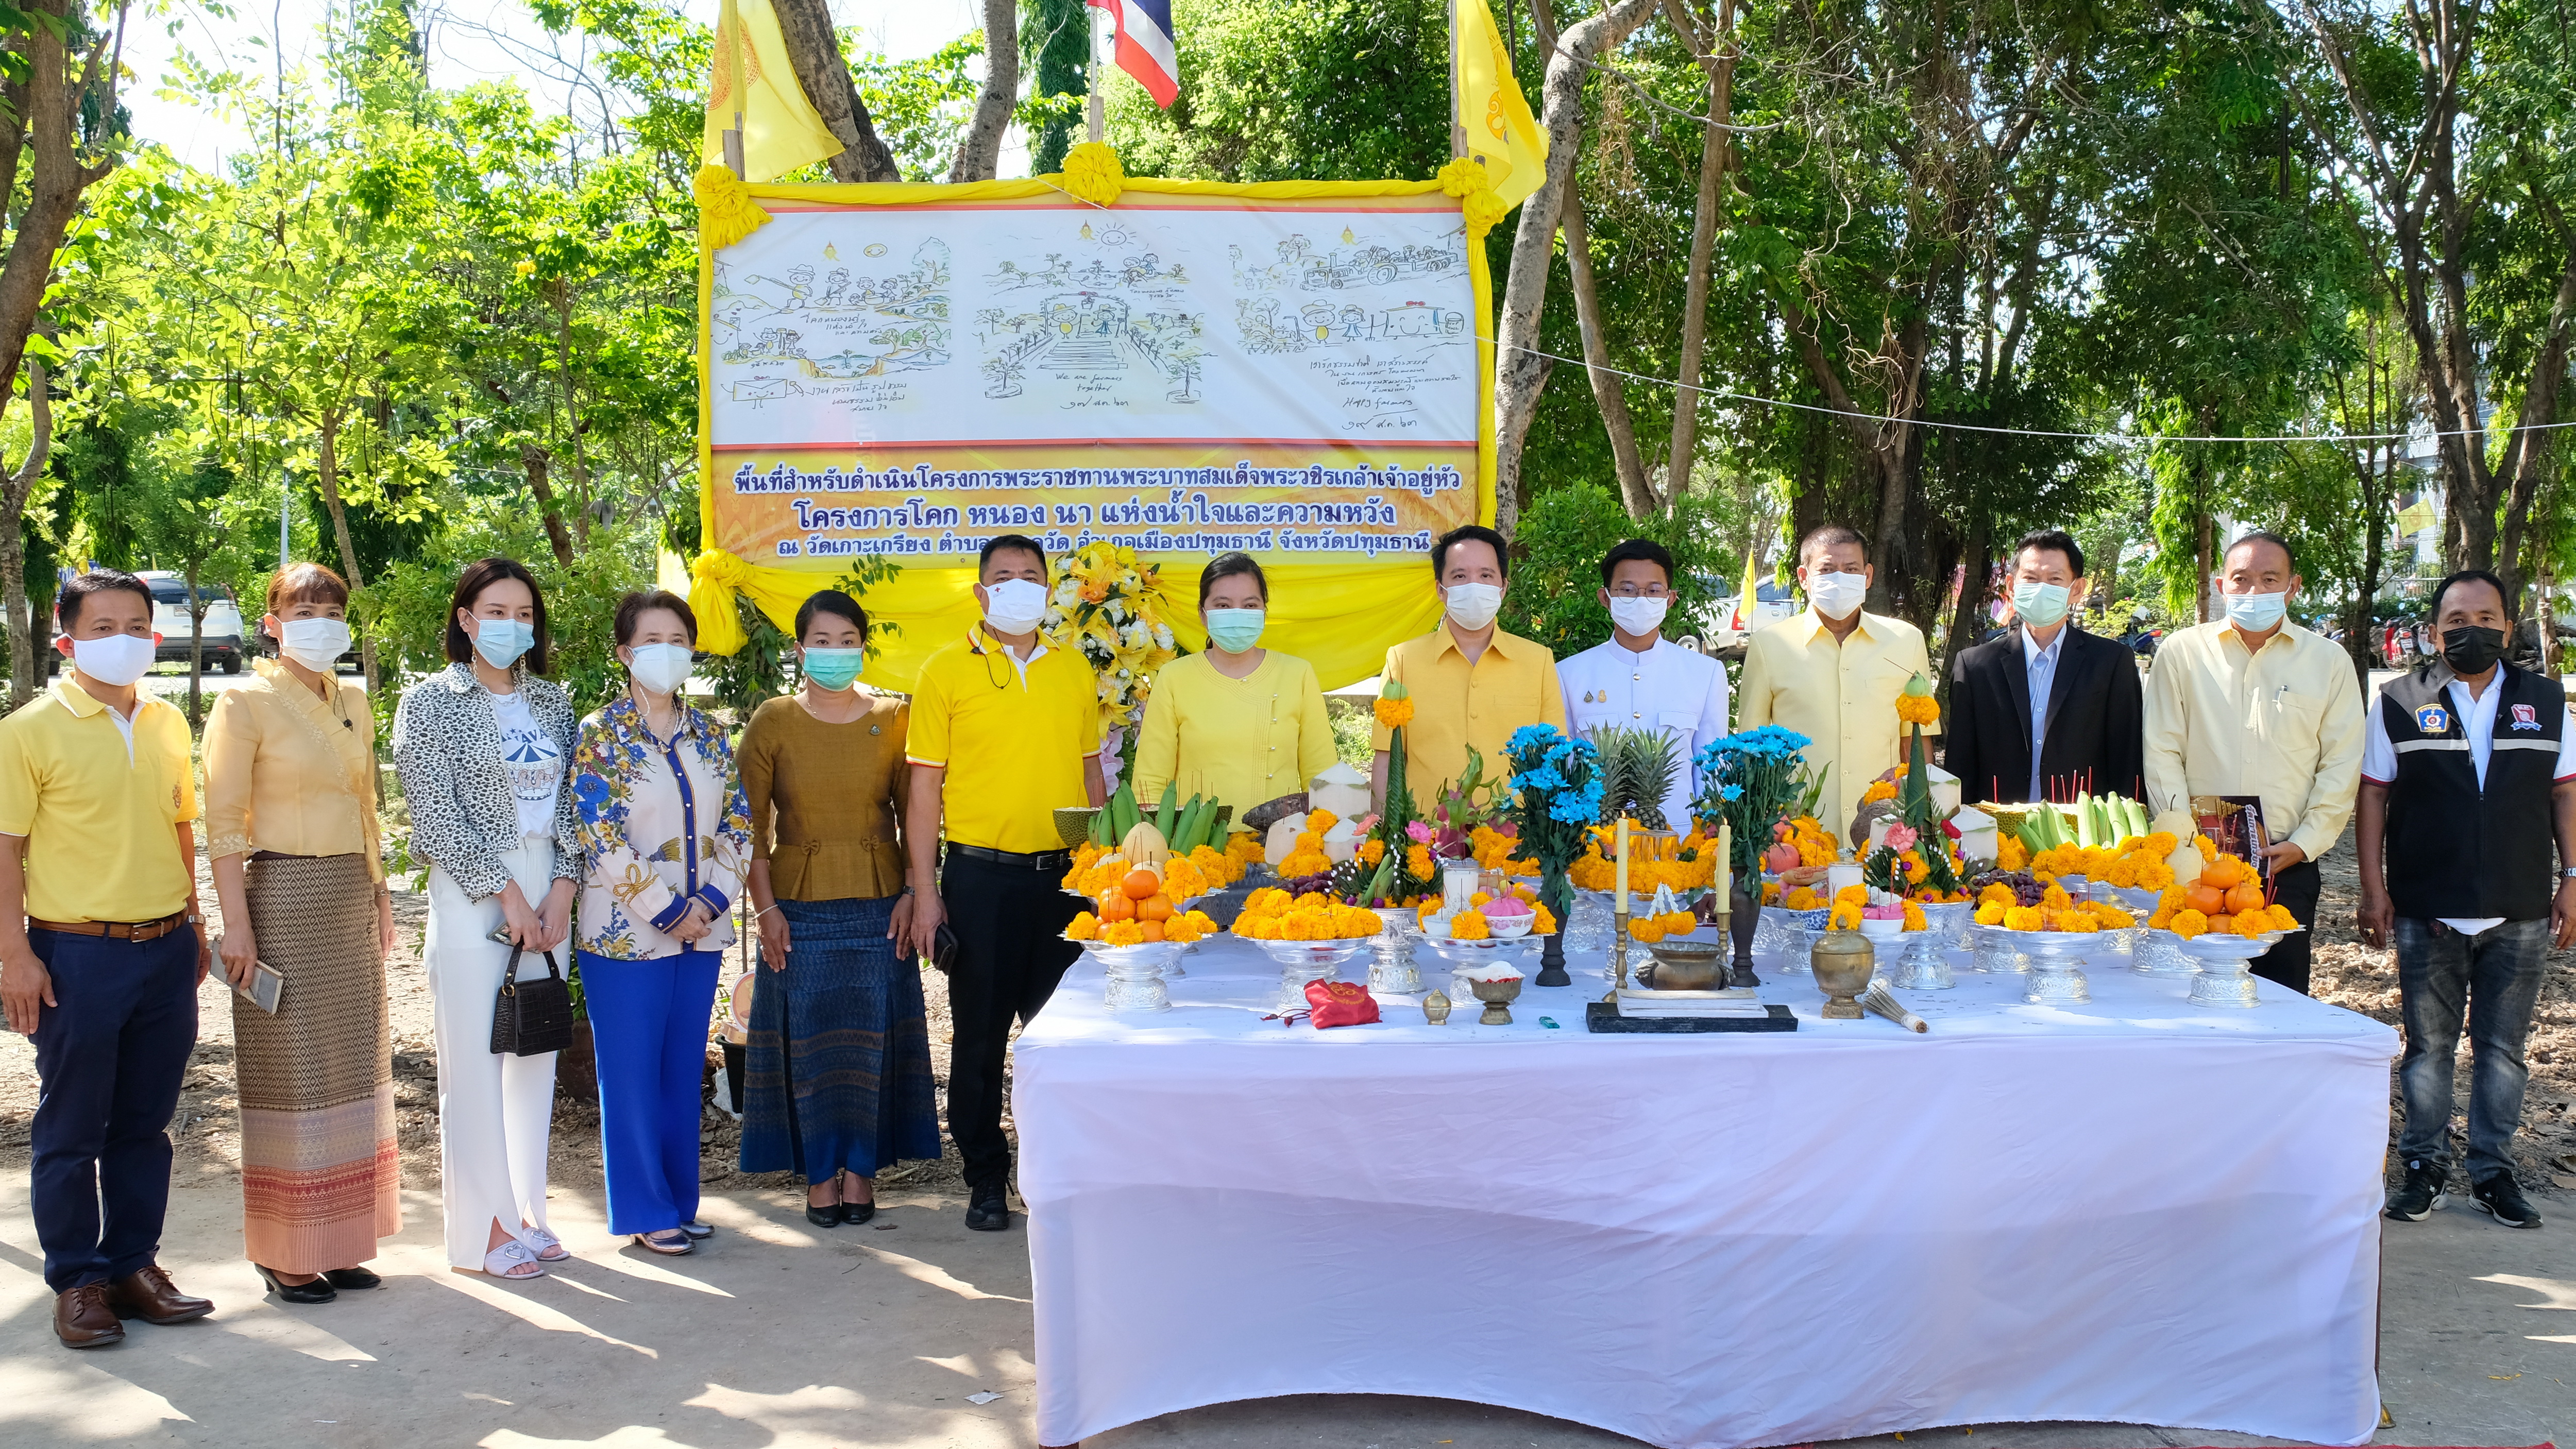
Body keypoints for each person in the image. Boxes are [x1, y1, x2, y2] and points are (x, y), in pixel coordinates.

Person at [0, 571, 216, 1348]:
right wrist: (14, 953)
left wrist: (195, 922)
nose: (122, 638)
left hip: (164, 950)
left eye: (135, 624)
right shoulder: (28, 730)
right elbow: (6, 848)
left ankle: (134, 1265)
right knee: (70, 1126)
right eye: (102, 627)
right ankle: (80, 1281)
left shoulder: (165, 723)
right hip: (74, 954)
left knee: (144, 1123)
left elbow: (181, 826)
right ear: (67, 639)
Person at [204, 563, 399, 1306]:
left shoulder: (352, 697)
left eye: (331, 605)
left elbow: (368, 807)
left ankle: (340, 1238)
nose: (319, 617)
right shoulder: (243, 701)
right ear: (272, 620)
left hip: (350, 893)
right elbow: (223, 825)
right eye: (301, 605)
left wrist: (380, 898)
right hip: (282, 892)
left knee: (352, 1065)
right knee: (293, 1072)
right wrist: (237, 926)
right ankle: (287, 1249)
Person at [2358, 569, 2573, 1231]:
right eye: (2455, 620)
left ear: (2506, 627)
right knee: (2427, 1048)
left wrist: (2573, 876)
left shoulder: (2546, 700)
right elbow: (2372, 794)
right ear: (2433, 631)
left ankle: (2491, 1171)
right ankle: (2422, 1168)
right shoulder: (2398, 700)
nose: (2470, 630)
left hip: (2520, 907)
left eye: (2484, 618)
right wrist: (2374, 888)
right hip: (2428, 905)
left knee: (2503, 1049)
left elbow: (2564, 792)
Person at [903, 535, 1105, 1232]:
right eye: (1004, 576)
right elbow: (924, 791)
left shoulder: (1075, 670)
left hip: (1064, 881)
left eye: (1032, 576)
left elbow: (1090, 777)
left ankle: (1051, 1176)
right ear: (982, 592)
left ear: (1049, 590)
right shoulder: (944, 671)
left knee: (1062, 1039)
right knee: (980, 1040)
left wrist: (1101, 871)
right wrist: (925, 891)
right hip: (979, 879)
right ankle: (986, 1177)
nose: (1019, 586)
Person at [392, 557, 581, 1280]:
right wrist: (507, 896)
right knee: (476, 1060)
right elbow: (435, 815)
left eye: (524, 614)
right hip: (476, 887)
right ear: (465, 619)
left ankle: (528, 1209)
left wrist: (561, 887)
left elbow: (571, 803)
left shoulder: (554, 702)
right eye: (495, 612)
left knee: (534, 1052)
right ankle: (484, 1229)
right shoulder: (430, 703)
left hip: (548, 883)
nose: (512, 626)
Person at [737, 589, 939, 1228]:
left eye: (846, 639)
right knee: (812, 1049)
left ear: (862, 646)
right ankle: (820, 1176)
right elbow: (749, 825)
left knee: (871, 1046)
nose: (833, 652)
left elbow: (918, 816)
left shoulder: (895, 716)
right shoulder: (772, 720)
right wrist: (765, 909)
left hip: (881, 909)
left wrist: (915, 889)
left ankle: (862, 1172)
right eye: (819, 641)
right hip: (798, 910)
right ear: (799, 649)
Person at [570, 591, 751, 1256]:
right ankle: (644, 1208)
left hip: (701, 930)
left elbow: (739, 823)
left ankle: (680, 1200)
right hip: (625, 936)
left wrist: (709, 902)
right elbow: (601, 833)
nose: (668, 651)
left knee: (680, 1069)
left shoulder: (710, 734)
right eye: (653, 638)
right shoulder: (600, 734)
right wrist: (665, 908)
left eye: (680, 638)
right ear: (624, 652)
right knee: (631, 1072)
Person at [2143, 531, 2364, 995]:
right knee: (2189, 996)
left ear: (2293, 586)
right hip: (2197, 868)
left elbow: (2341, 763)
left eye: (2269, 579)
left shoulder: (2328, 662)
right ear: (2221, 585)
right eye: (2241, 580)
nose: (2254, 592)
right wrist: (2185, 841)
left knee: (2278, 999)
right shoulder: (2182, 654)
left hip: (2286, 864)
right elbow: (2163, 749)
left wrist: (2306, 843)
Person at [1736, 526, 1933, 841]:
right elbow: (1751, 746)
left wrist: (1922, 818)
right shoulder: (1769, 645)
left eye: (1851, 569)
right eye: (1826, 570)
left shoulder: (1906, 641)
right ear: (1804, 577)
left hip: (1885, 830)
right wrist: (1765, 823)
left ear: (1868, 576)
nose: (1839, 578)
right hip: (1798, 831)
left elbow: (1917, 741)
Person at [1942, 530, 2145, 805]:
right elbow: (1960, 765)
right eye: (2031, 578)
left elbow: (2126, 758)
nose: (2041, 588)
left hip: (2082, 835)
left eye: (2054, 580)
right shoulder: (1976, 666)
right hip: (1994, 831)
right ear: (2012, 586)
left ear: (2076, 589)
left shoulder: (2111, 663)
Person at [1371, 524, 1568, 805]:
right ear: (1441, 590)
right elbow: (1387, 757)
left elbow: (1554, 756)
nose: (1474, 586)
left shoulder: (1538, 661)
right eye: (1460, 576)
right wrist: (1385, 837)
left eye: (1486, 575)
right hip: (1426, 841)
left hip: (1516, 841)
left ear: (1503, 588)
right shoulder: (1403, 660)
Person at [1133, 553, 1337, 813]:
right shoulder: (1174, 677)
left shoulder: (1298, 674)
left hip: (1281, 843)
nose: (1237, 614)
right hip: (1195, 846)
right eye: (1223, 605)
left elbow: (1323, 778)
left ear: (1264, 611)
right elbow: (1149, 784)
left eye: (1250, 605)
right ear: (1203, 614)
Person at [1557, 538, 1730, 828]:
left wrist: (1708, 833)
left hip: (1679, 842)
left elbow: (1712, 768)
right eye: (1626, 590)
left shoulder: (1705, 673)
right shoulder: (1570, 674)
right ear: (1605, 597)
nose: (1640, 599)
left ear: (1670, 598)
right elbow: (1565, 767)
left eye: (1653, 590)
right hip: (1595, 843)